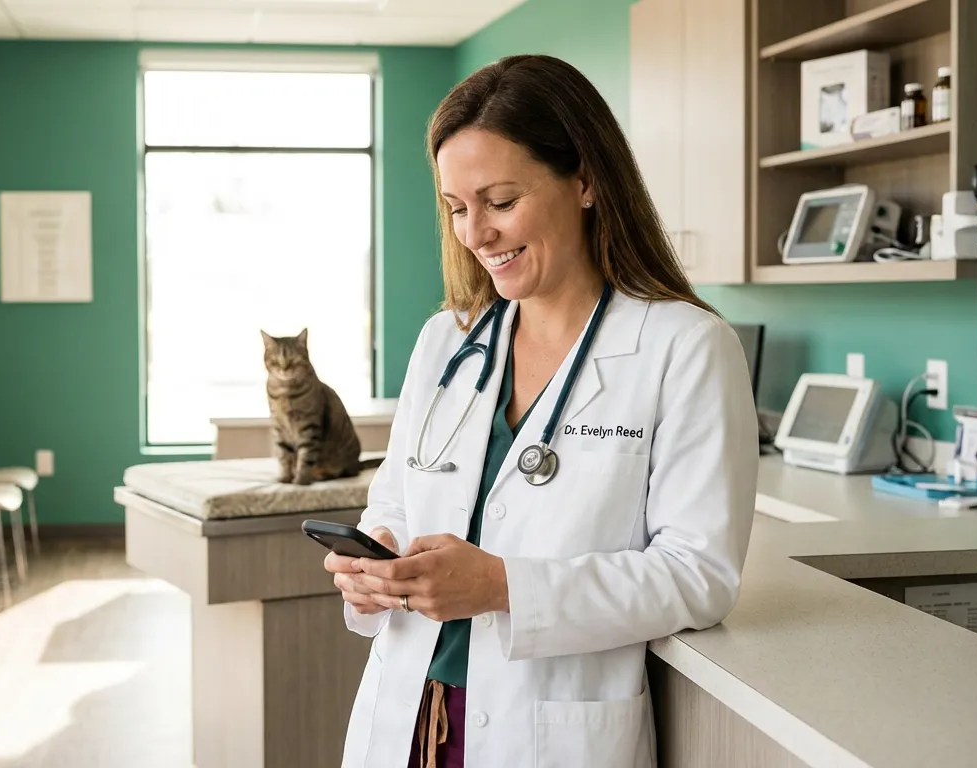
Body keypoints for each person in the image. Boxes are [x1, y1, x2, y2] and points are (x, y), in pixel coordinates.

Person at [324, 54, 758, 768]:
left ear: (585, 179)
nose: (475, 234)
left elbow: (699, 574)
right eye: (457, 208)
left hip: (550, 730)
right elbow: (398, 501)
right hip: (411, 714)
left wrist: (501, 585)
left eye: (499, 201)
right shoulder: (448, 341)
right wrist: (376, 564)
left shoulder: (683, 346)